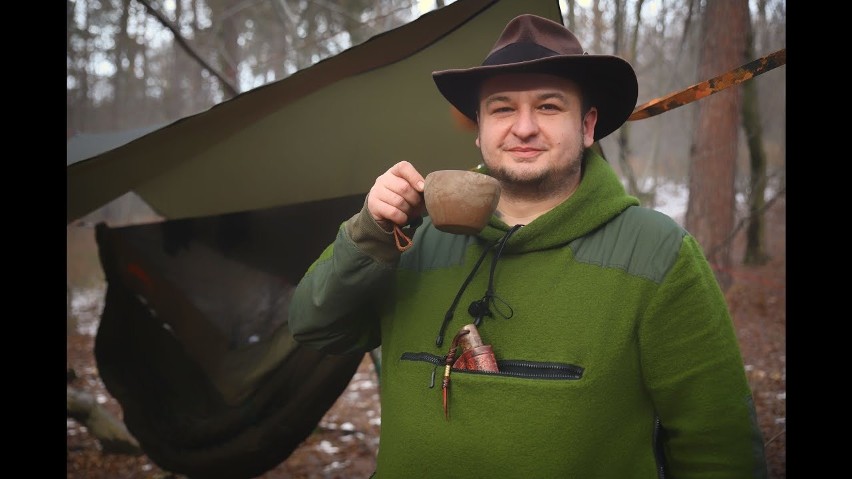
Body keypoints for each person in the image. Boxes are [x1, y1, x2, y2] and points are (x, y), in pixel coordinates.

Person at [289, 13, 768, 478]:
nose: (523, 127)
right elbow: (315, 328)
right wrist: (371, 230)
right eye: (502, 108)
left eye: (549, 106)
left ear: (587, 126)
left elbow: (717, 445)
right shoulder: (411, 241)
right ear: (478, 131)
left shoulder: (657, 254)